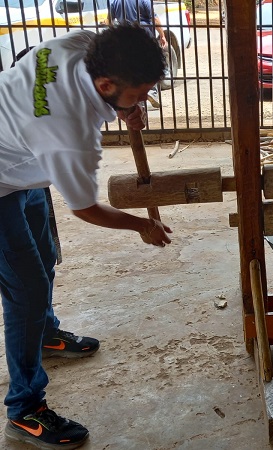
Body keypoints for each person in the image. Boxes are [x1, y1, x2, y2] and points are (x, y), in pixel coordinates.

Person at [0, 24, 172, 449]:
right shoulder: (69, 134)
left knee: (44, 256)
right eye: (137, 94)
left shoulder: (84, 44)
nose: (143, 101)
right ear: (105, 84)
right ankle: (24, 410)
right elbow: (85, 209)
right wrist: (142, 226)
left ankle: (45, 335)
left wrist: (125, 108)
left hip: (19, 161)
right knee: (27, 290)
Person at [108, 0, 169, 109]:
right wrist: (162, 35)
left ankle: (137, 99)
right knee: (150, 67)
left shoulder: (115, 2)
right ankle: (151, 92)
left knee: (132, 70)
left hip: (125, 39)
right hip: (144, 38)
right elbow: (154, 18)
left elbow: (109, 21)